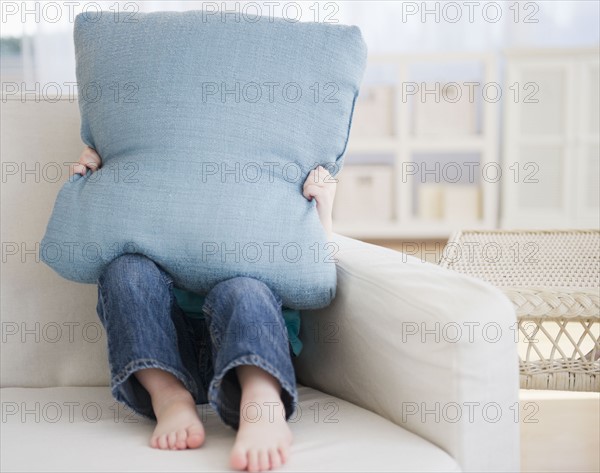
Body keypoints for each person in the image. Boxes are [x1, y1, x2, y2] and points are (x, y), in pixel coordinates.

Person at [71, 147, 337, 472]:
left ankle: (261, 399)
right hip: (166, 347)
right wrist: (96, 180)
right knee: (126, 272)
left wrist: (323, 211)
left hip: (246, 349)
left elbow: (312, 277)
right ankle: (169, 396)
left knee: (241, 288)